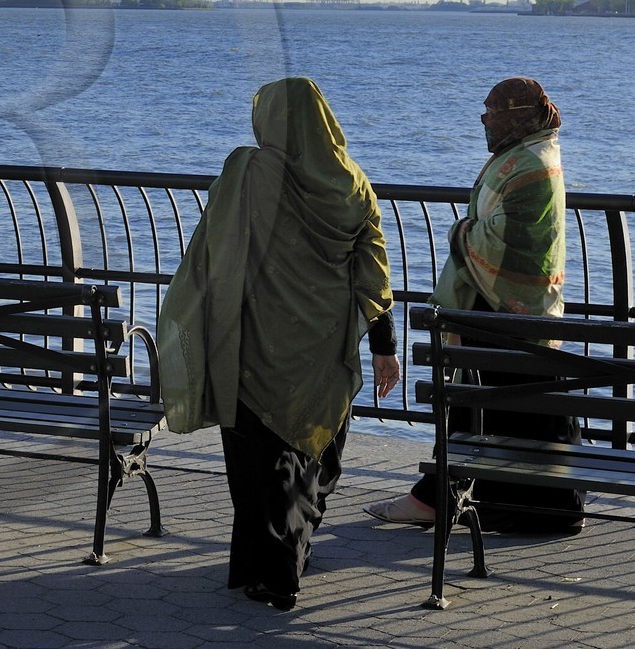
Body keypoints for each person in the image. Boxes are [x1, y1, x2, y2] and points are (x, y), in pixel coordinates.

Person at [158, 77, 400, 611]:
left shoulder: (250, 170)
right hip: (323, 348)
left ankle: (270, 572)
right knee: (309, 450)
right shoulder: (353, 181)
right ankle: (285, 555)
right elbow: (374, 272)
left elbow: (213, 252)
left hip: (252, 343)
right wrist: (384, 345)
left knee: (257, 457)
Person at [365, 76, 583, 531]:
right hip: (524, 314)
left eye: (493, 112)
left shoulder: (529, 164)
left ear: (516, 116)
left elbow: (512, 239)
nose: (484, 120)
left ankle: (436, 500)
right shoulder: (531, 153)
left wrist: (459, 233)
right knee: (516, 414)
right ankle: (538, 508)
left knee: (479, 403)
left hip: (506, 314)